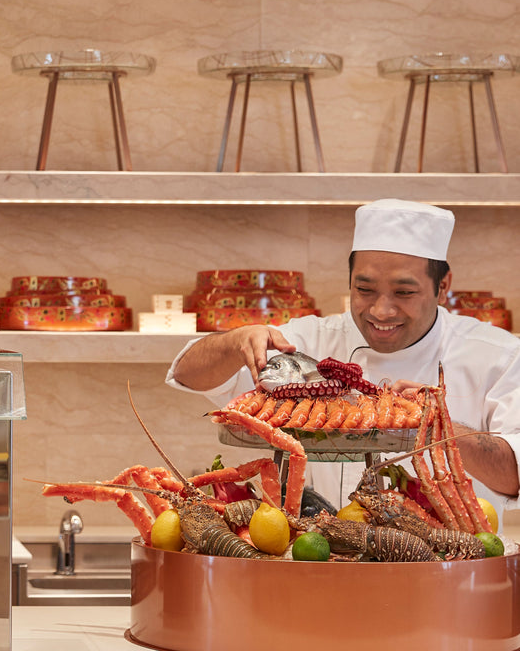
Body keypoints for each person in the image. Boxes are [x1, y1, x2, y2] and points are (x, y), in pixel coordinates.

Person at [166, 198, 520, 516]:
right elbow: (187, 373)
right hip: (321, 559)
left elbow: (514, 475)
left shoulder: (497, 355)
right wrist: (235, 341)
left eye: (404, 292)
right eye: (364, 290)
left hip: (449, 570)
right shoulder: (307, 340)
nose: (381, 310)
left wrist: (432, 424)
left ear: (443, 287)